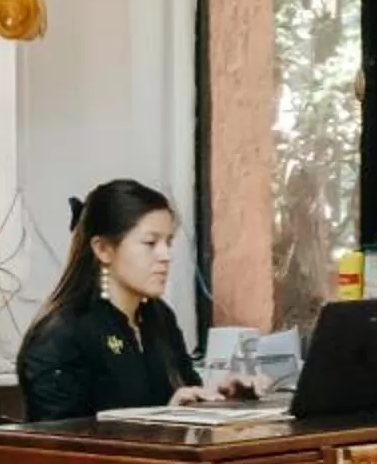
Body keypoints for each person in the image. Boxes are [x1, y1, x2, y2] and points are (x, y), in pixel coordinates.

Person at [18, 180, 239, 420]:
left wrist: (222, 398)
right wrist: (162, 419)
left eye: (169, 242)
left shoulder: (159, 317)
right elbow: (58, 444)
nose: (165, 255)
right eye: (150, 243)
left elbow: (184, 392)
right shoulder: (63, 333)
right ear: (103, 249)